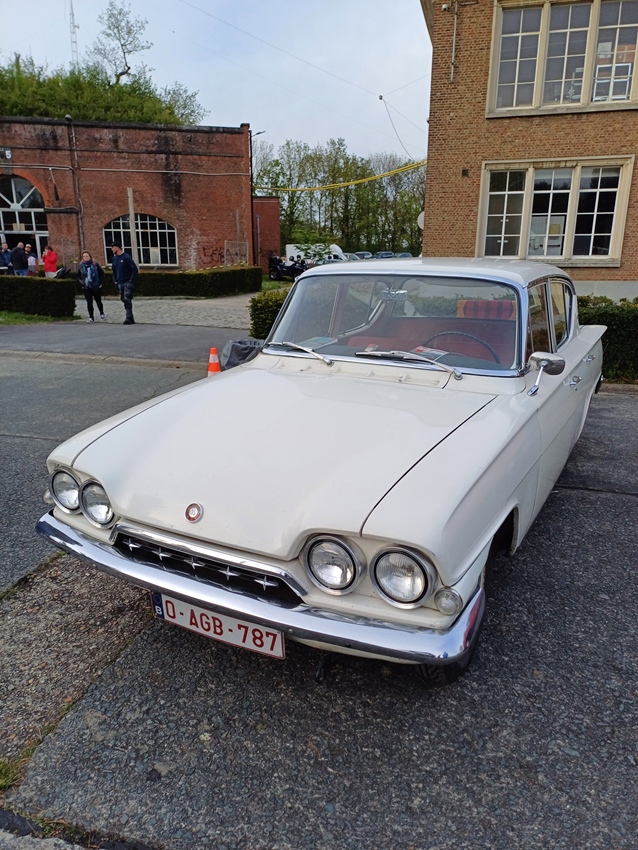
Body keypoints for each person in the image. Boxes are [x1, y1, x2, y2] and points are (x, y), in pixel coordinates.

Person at [110, 240, 138, 325]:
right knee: (123, 299)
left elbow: (134, 269)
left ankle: (128, 317)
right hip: (119, 282)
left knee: (127, 299)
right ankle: (130, 317)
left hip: (126, 282)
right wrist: (115, 280)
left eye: (112, 247)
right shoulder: (114, 259)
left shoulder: (126, 257)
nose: (111, 249)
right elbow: (114, 271)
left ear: (117, 247)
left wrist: (131, 280)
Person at [77, 251, 106, 323]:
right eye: (84, 256)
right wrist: (82, 283)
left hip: (96, 286)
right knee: (89, 302)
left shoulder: (95, 265)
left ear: (90, 257)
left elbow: (102, 273)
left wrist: (100, 283)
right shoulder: (81, 266)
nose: (85, 258)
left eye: (87, 256)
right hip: (86, 286)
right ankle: (91, 317)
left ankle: (101, 312)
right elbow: (79, 276)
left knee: (98, 301)